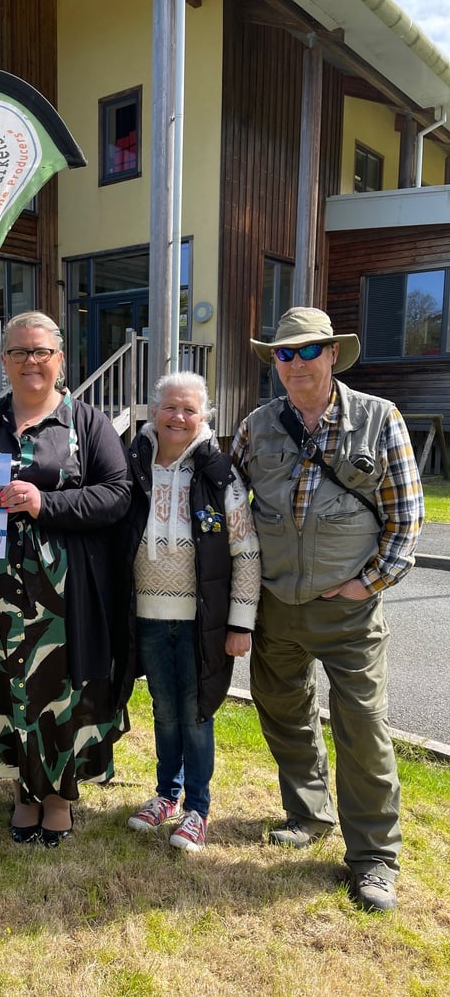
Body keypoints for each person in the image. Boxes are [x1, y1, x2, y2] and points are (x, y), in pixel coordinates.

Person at [231, 306, 424, 912]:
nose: (295, 364)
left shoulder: (378, 419)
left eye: (308, 351)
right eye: (283, 354)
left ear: (333, 354)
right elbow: (231, 511)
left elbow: (407, 517)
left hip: (348, 615)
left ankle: (373, 860)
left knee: (362, 731)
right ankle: (307, 814)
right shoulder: (255, 427)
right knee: (283, 713)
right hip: (275, 608)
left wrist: (367, 585)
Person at [0, 311, 131, 847]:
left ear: (60, 359)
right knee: (1, 682)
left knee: (59, 689)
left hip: (65, 597)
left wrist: (48, 503)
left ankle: (60, 797)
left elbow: (118, 494)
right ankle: (23, 790)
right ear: (4, 361)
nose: (30, 362)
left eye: (41, 351)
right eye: (19, 352)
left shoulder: (87, 424)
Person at [120, 372, 260, 851]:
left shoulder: (221, 475)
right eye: (170, 407)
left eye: (189, 410)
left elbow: (246, 552)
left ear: (204, 418)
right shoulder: (132, 466)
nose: (178, 417)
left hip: (203, 621)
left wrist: (241, 621)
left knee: (197, 713)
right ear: (153, 411)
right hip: (148, 618)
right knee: (164, 710)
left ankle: (197, 808)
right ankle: (166, 794)